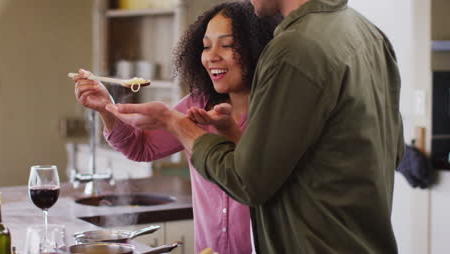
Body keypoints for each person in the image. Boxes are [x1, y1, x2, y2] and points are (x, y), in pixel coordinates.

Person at [104, 0, 405, 253]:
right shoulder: (369, 34)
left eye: (228, 45)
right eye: (207, 47)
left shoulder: (295, 48)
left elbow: (249, 182)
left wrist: (174, 122)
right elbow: (394, 152)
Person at [72, 2, 280, 253]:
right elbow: (141, 146)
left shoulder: (277, 112)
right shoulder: (198, 103)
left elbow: (257, 179)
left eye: (226, 45)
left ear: (257, 48)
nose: (211, 56)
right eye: (205, 46)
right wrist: (106, 107)